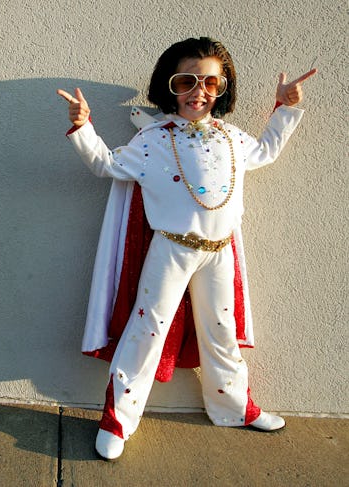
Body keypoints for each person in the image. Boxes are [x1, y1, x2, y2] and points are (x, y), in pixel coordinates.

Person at [57, 37, 316, 460]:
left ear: (223, 88)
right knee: (147, 331)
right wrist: (83, 126)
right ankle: (118, 419)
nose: (199, 91)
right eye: (187, 80)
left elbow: (266, 151)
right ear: (170, 85)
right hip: (170, 251)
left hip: (220, 252)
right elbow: (106, 164)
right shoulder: (152, 140)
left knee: (221, 332)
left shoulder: (234, 138)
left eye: (211, 82)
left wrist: (285, 109)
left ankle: (233, 408)